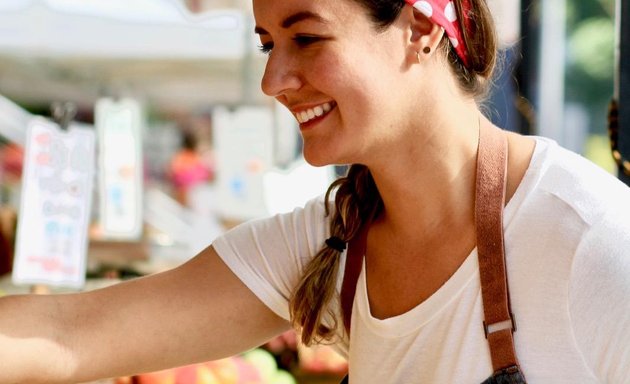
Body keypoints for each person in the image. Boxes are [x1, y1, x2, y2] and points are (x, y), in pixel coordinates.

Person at [1, 0, 629, 383]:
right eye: (268, 43)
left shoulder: (591, 241)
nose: (273, 79)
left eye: (306, 38)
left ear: (419, 28)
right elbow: (69, 334)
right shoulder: (332, 244)